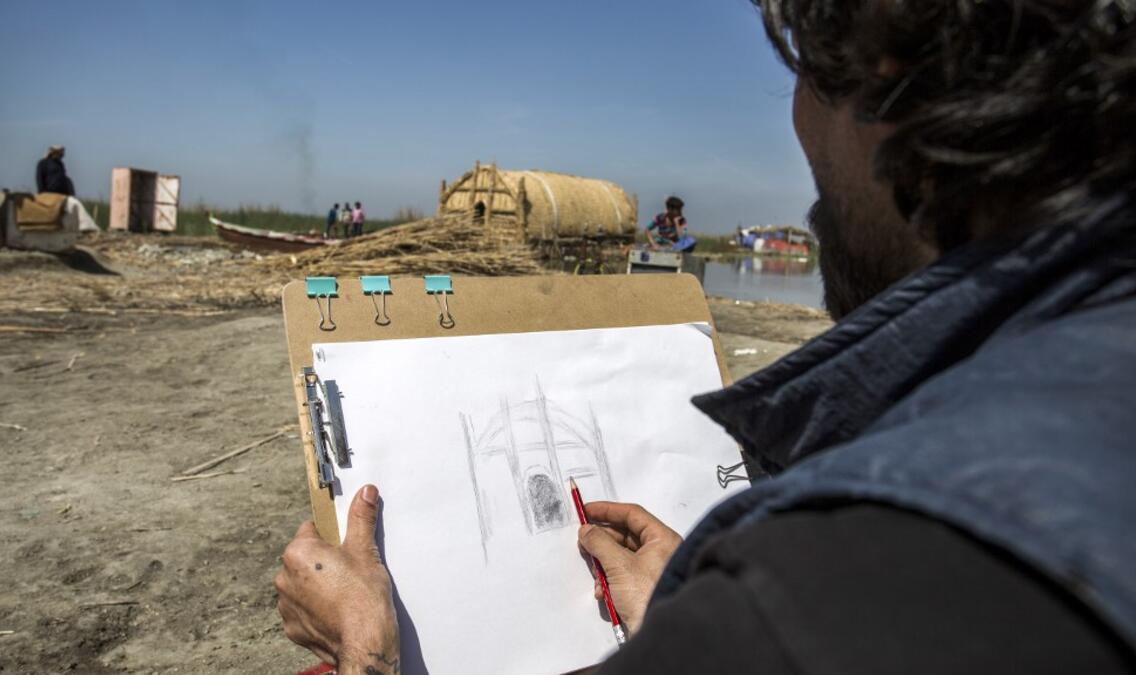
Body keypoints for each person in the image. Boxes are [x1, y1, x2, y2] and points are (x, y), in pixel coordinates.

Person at [274, 1, 1136, 672]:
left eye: (809, 75)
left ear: (890, 78)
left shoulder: (821, 591)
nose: (797, 123)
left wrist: (369, 652)